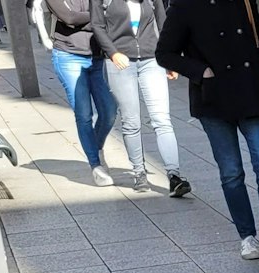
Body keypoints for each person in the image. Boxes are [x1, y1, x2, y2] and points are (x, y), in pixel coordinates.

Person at [158, 0, 259, 263]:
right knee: (231, 172)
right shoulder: (185, 5)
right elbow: (165, 53)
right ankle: (247, 236)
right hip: (213, 98)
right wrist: (201, 72)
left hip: (252, 91)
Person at [92, 0, 192, 195]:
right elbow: (97, 25)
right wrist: (112, 53)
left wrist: (170, 59)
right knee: (131, 121)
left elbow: (163, 24)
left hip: (152, 59)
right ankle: (139, 173)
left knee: (162, 119)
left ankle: (174, 176)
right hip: (120, 61)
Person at [38, 0, 117, 184]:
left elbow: (110, 12)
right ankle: (96, 165)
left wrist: (97, 18)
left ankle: (95, 148)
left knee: (110, 111)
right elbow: (69, 17)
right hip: (68, 56)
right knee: (84, 113)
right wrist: (97, 17)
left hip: (96, 57)